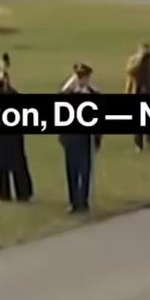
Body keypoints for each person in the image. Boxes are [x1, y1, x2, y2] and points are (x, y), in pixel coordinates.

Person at [58, 62, 101, 214]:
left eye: (85, 77)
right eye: (79, 77)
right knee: (72, 171)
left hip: (85, 139)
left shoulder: (93, 94)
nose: (82, 80)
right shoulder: (69, 93)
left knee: (84, 170)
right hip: (71, 138)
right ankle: (73, 202)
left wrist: (97, 139)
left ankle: (83, 200)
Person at [0, 71, 33, 203]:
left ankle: (23, 193)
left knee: (19, 164)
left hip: (14, 136)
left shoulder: (14, 93)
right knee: (4, 166)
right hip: (2, 136)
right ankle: (4, 193)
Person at [125, 42, 150, 151]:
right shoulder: (133, 60)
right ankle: (139, 145)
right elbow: (130, 72)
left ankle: (149, 139)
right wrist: (140, 62)